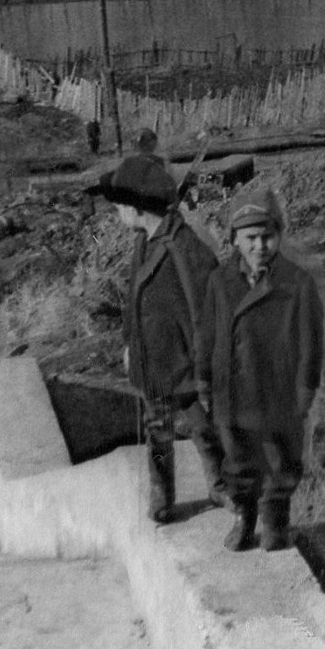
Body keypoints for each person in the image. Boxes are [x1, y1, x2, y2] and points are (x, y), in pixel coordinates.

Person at [98, 155, 226, 523]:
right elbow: (134, 300)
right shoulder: (144, 242)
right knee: (158, 431)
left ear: (137, 208)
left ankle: (220, 484)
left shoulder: (185, 248)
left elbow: (207, 308)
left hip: (186, 360)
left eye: (120, 206)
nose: (118, 213)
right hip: (154, 360)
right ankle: (161, 494)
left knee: (204, 427)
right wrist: (129, 343)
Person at [197, 187, 325, 552]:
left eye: (267, 236)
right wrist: (203, 378)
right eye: (250, 238)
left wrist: (304, 390)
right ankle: (244, 516)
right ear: (234, 239)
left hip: (276, 390)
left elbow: (310, 344)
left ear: (279, 235)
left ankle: (275, 520)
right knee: (237, 458)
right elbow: (207, 335)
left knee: (280, 458)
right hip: (232, 390)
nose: (259, 246)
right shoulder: (220, 282)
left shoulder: (296, 283)